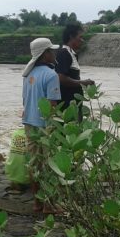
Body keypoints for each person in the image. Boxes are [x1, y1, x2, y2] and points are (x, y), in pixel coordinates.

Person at [22, 37, 61, 213]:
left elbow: (24, 100)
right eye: (51, 50)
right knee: (49, 164)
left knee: (34, 164)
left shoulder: (28, 73)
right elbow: (52, 105)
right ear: (45, 54)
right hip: (45, 125)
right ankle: (49, 204)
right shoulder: (51, 75)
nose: (54, 53)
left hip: (29, 122)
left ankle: (37, 203)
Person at [54, 24, 94, 122]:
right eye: (80, 37)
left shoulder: (71, 53)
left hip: (73, 104)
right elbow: (60, 77)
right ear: (71, 37)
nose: (82, 40)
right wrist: (83, 82)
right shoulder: (64, 53)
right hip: (67, 105)